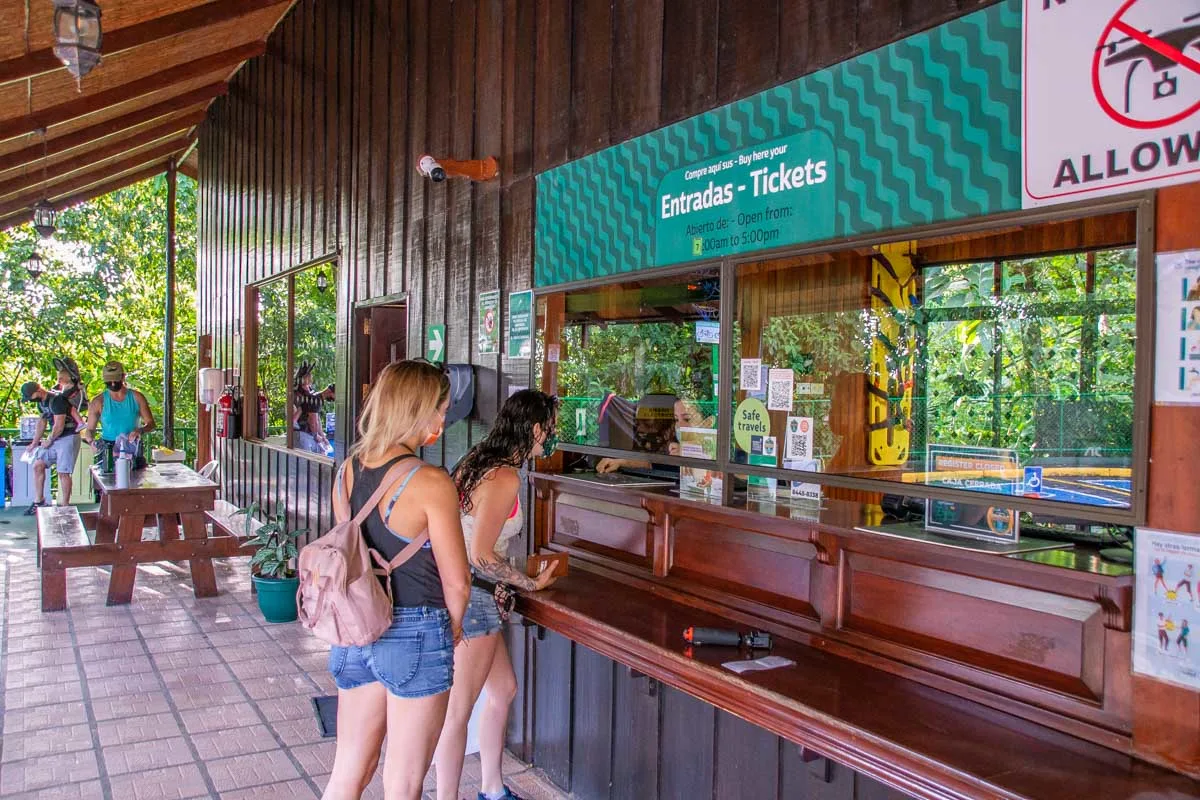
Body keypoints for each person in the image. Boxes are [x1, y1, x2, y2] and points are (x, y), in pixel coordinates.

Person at [324, 360, 472, 800]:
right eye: (439, 410)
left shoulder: (345, 472)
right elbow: (458, 581)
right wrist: (456, 625)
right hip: (416, 632)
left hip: (355, 632)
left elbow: (352, 558)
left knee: (348, 772)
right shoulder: (430, 481)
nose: (442, 421)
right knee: (403, 783)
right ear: (414, 409)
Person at [433, 390, 561, 800]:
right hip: (473, 597)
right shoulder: (504, 476)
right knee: (457, 712)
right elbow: (482, 554)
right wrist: (529, 583)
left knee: (503, 689)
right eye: (550, 429)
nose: (551, 438)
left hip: (468, 591)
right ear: (536, 428)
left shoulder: (477, 459)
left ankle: (491, 787)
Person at [596, 396, 711, 474]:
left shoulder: (714, 451)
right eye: (675, 420)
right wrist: (620, 462)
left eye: (687, 419)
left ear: (705, 422)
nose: (680, 426)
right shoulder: (675, 451)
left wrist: (691, 454)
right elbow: (651, 464)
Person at [20, 380, 82, 513]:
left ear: (38, 391)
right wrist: (34, 443)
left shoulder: (57, 400)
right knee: (38, 465)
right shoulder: (41, 404)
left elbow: (59, 425)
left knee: (63, 472)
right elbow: (42, 423)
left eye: (30, 397)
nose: (30, 401)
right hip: (55, 438)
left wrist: (49, 439)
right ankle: (39, 501)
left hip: (68, 436)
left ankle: (65, 506)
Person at [82, 361, 156, 470]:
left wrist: (139, 430)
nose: (112, 384)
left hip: (131, 445)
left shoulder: (137, 397)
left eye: (115, 380)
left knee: (136, 481)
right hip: (108, 448)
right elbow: (90, 429)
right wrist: (91, 441)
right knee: (108, 482)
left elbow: (151, 424)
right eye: (108, 381)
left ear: (123, 377)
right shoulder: (98, 401)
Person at [294, 362, 331, 454]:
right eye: (308, 374)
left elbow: (316, 418)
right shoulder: (297, 394)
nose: (311, 376)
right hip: (302, 433)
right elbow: (311, 419)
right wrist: (316, 435)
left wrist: (322, 436)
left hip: (310, 435)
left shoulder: (311, 392)